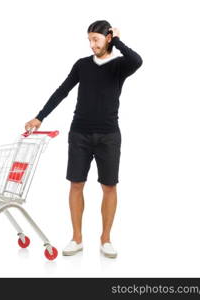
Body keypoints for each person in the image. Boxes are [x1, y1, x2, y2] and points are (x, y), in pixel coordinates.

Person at [24, 20, 142, 258]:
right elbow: (62, 90)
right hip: (79, 133)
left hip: (109, 135)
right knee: (76, 184)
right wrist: (40, 117)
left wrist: (117, 40)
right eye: (89, 39)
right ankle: (76, 239)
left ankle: (105, 239)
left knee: (109, 186)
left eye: (96, 39)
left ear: (108, 38)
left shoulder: (120, 66)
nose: (91, 44)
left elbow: (137, 60)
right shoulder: (82, 65)